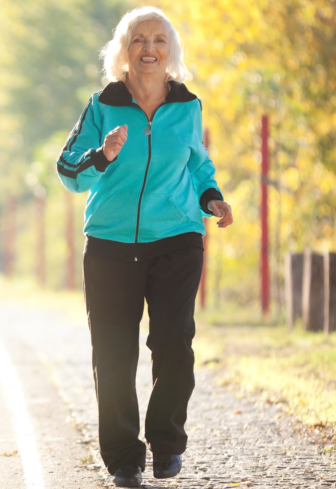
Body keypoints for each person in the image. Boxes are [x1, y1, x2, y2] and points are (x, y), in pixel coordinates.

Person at [56, 7, 234, 487]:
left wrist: (211, 197)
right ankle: (123, 459)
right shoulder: (102, 105)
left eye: (158, 40)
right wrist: (103, 155)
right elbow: (68, 170)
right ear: (123, 50)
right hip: (111, 245)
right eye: (138, 39)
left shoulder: (187, 105)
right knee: (114, 352)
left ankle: (167, 442)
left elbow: (198, 163)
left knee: (174, 343)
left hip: (177, 239)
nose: (148, 48)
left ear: (169, 50)